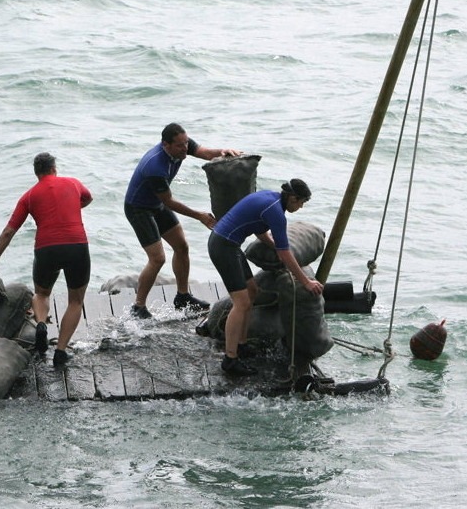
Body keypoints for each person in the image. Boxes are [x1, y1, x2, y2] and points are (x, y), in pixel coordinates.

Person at [0, 152, 92, 368]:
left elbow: (8, 231)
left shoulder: (29, 196)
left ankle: (41, 323)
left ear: (36, 173)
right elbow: (87, 198)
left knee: (41, 293)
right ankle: (60, 351)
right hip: (76, 246)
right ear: (54, 169)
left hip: (46, 249)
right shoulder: (73, 183)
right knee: (75, 301)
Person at [208, 178, 324, 376]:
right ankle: (230, 359)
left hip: (228, 243)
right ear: (293, 198)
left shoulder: (270, 199)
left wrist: (275, 245)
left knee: (252, 291)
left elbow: (259, 230)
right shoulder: (276, 213)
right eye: (302, 202)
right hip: (223, 247)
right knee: (242, 303)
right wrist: (305, 281)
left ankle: (241, 345)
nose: (301, 207)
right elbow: (284, 254)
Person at [124, 122, 241, 319]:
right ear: (166, 145)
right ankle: (138, 306)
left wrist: (223, 152)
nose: (185, 149)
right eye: (179, 146)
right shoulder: (155, 166)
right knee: (157, 258)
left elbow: (204, 152)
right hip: (139, 209)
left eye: (186, 143)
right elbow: (168, 201)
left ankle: (183, 297)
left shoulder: (182, 145)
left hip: (155, 204)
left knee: (182, 247)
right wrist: (200, 216)